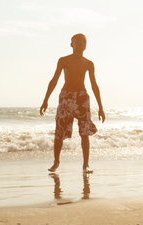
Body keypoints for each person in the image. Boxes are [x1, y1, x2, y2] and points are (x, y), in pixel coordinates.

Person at [40, 33, 106, 173]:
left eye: (83, 42)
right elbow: (54, 80)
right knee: (59, 131)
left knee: (84, 132)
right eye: (77, 41)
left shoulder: (88, 63)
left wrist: (100, 107)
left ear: (86, 45)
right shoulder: (64, 60)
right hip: (66, 98)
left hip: (82, 98)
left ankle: (86, 165)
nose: (80, 43)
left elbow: (94, 85)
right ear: (71, 44)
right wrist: (45, 100)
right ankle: (56, 162)